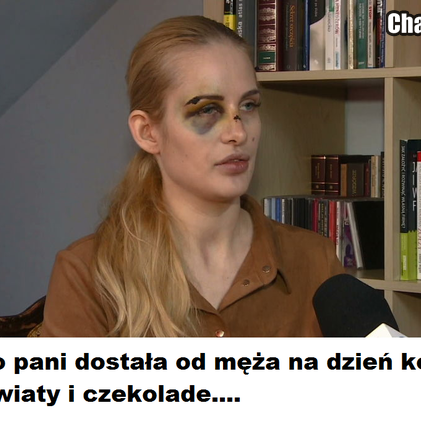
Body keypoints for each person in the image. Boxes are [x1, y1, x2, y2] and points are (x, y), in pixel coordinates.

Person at [40, 15, 343, 337]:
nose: (238, 133)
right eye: (207, 109)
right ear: (148, 132)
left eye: (248, 106)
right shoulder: (87, 273)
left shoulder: (314, 259)